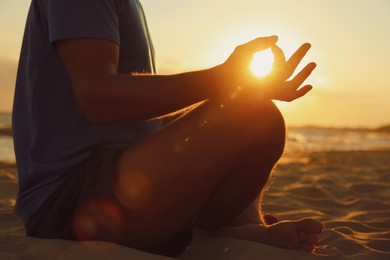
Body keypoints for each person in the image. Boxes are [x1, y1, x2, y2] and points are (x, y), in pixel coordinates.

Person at [13, 0, 323, 257]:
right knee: (255, 116)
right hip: (69, 200)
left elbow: (139, 121)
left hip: (119, 178)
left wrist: (238, 92)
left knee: (250, 112)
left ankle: (236, 227)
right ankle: (210, 231)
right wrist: (223, 79)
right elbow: (98, 99)